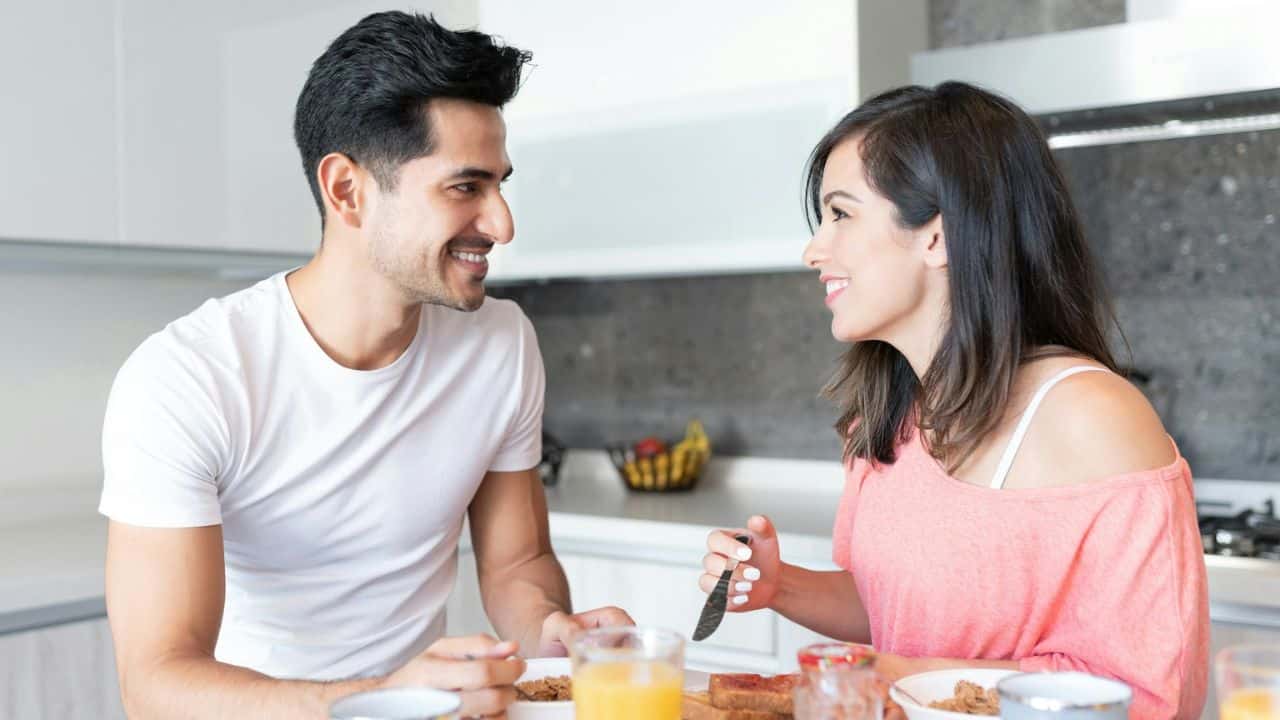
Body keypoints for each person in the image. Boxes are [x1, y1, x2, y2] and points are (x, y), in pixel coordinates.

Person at [101, 12, 630, 719]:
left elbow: (517, 564)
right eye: (465, 187)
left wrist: (550, 631)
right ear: (347, 190)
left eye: (500, 184)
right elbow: (156, 684)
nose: (503, 224)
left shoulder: (500, 343)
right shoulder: (190, 378)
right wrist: (380, 700)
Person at [699, 82, 1209, 719]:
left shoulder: (1090, 417)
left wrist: (885, 678)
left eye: (840, 214)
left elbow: (1148, 695)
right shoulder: (891, 414)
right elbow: (904, 608)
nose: (813, 250)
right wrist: (783, 586)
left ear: (936, 237)